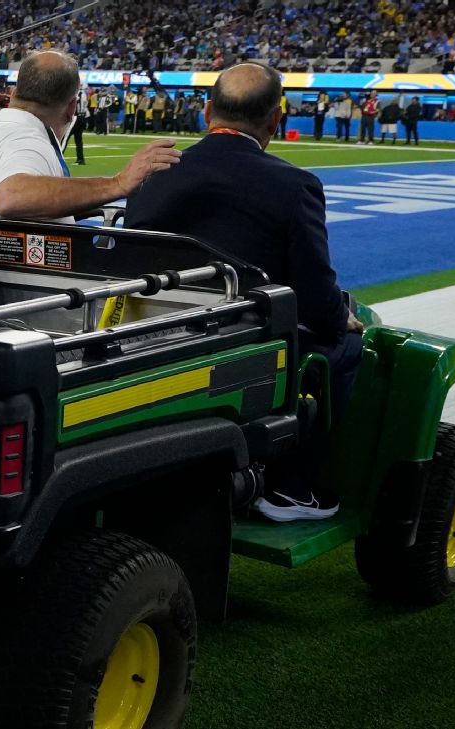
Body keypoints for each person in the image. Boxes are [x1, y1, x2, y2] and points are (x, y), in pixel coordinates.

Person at [125, 63, 364, 522]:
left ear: (207, 111)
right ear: (276, 120)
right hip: (244, 339)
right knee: (345, 346)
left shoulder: (151, 170)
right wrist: (342, 318)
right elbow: (315, 296)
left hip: (156, 330)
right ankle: (292, 489)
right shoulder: (294, 184)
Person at [0, 51, 180, 223]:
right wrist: (117, 184)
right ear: (72, 107)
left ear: (12, 94)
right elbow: (13, 196)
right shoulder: (27, 141)